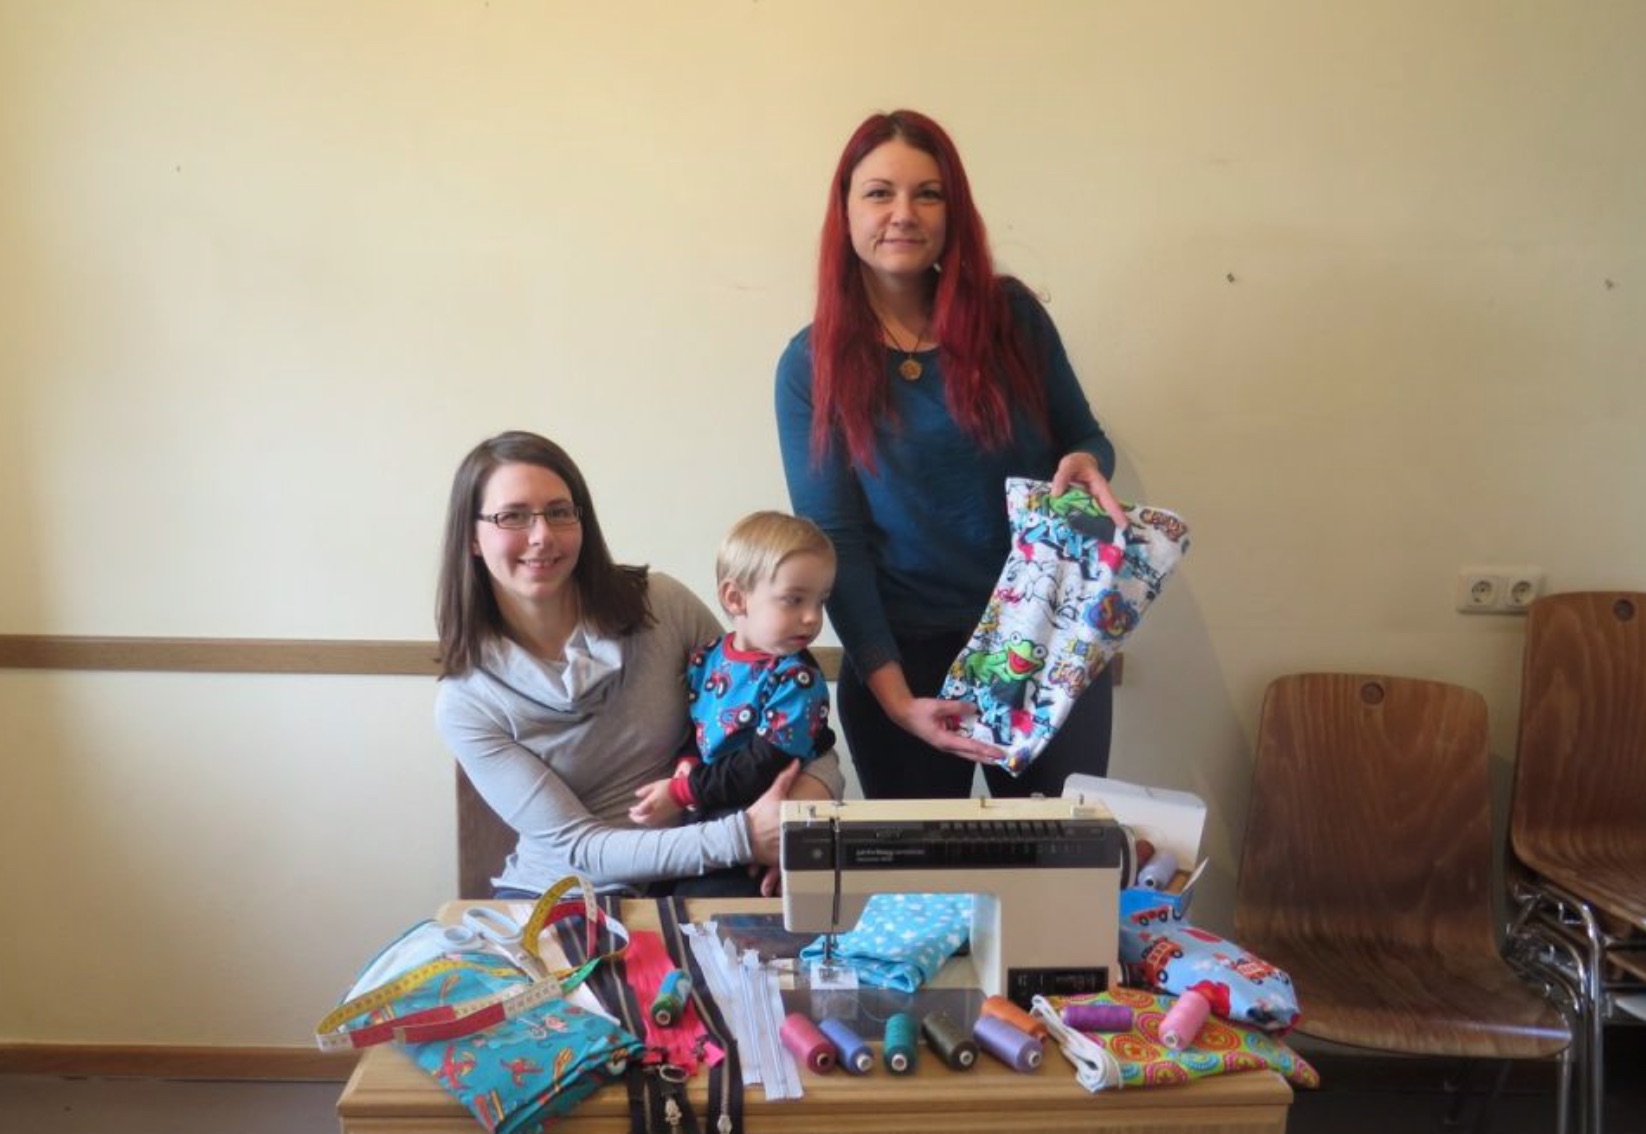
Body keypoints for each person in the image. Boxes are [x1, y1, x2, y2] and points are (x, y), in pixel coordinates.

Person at [775, 108, 1126, 802]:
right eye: (879, 193)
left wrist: (1089, 467)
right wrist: (897, 700)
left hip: (1045, 638)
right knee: (918, 866)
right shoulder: (811, 366)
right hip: (903, 660)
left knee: (1058, 859)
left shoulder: (1013, 320)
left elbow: (1086, 439)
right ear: (845, 212)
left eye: (928, 194)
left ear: (953, 210)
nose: (903, 213)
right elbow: (835, 541)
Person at [434, 431, 842, 898]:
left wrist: (796, 824)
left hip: (708, 870)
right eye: (513, 516)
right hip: (568, 889)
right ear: (472, 538)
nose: (542, 535)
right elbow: (580, 847)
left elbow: (797, 727)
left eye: (560, 511)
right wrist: (747, 836)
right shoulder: (465, 702)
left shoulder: (661, 604)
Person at [628, 511, 837, 831]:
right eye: (794, 600)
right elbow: (700, 725)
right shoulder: (707, 658)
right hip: (709, 799)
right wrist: (688, 761)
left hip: (760, 807)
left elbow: (763, 764)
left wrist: (684, 790)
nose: (812, 617)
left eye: (820, 601)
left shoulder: (798, 678)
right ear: (735, 598)